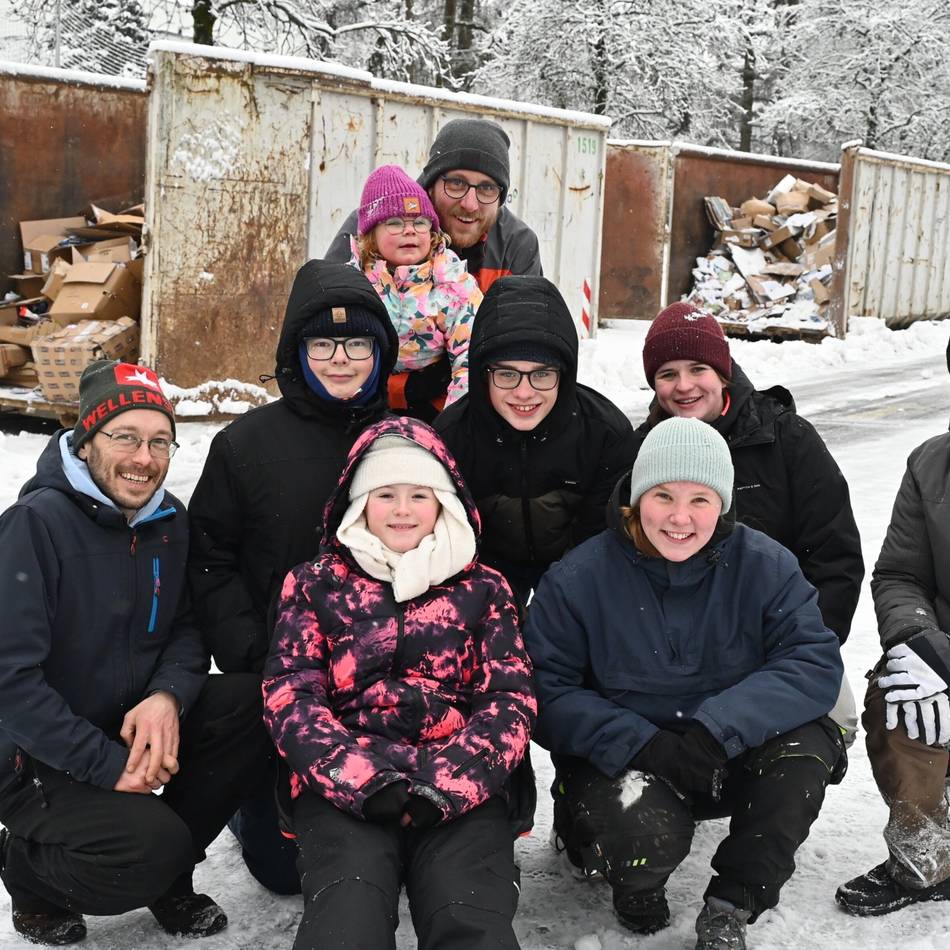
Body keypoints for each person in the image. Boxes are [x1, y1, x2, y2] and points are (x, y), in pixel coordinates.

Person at [524, 417, 846, 950]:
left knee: (806, 749)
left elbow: (813, 660)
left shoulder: (766, 566)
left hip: (724, 752)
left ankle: (732, 904)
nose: (679, 517)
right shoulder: (578, 579)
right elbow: (545, 689)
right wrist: (642, 744)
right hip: (627, 759)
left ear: (723, 505)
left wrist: (717, 731)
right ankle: (635, 884)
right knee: (640, 833)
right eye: (663, 496)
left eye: (700, 499)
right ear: (636, 499)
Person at [0, 361, 273, 946]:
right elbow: (9, 680)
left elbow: (186, 628)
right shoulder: (33, 526)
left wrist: (166, 697)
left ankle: (169, 877)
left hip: (126, 722)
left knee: (255, 704)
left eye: (159, 441)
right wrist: (107, 765)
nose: (143, 458)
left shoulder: (168, 521)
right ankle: (29, 872)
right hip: (37, 754)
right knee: (148, 849)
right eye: (125, 437)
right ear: (86, 441)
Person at [262, 416, 536, 950]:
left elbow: (510, 699)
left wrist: (448, 784)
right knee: (347, 915)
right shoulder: (316, 583)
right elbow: (291, 695)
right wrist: (362, 782)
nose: (403, 510)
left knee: (468, 912)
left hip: (459, 779)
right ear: (359, 503)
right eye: (385, 494)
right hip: (347, 781)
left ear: (444, 503)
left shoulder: (484, 588)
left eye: (419, 495)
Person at [186, 260, 398, 895]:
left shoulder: (407, 439)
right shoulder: (245, 445)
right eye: (322, 344)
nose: (341, 359)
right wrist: (252, 649)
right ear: (296, 352)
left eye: (357, 343)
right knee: (284, 872)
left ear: (380, 352)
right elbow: (210, 557)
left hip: (386, 678)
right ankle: (252, 803)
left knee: (394, 851)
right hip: (283, 676)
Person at [634, 301, 864, 646]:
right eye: (668, 374)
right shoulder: (642, 451)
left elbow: (833, 560)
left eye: (698, 369)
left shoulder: (787, 438)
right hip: (672, 653)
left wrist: (805, 650)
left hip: (776, 642)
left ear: (722, 372)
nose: (683, 385)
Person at [434, 274, 635, 609]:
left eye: (541, 374)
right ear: (483, 375)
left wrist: (556, 599)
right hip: (485, 580)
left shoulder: (604, 434)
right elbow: (453, 544)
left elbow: (602, 540)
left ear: (564, 375)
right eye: (507, 374)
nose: (524, 392)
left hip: (578, 578)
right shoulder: (451, 438)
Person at [835, 416, 950, 915]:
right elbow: (901, 574)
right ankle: (925, 860)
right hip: (946, 647)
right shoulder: (931, 462)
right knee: (900, 691)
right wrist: (919, 643)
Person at [326, 117, 542, 293]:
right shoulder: (375, 224)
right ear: (430, 185)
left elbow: (528, 327)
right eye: (456, 183)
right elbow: (325, 309)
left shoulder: (516, 246)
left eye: (487, 188)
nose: (470, 204)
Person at [350, 163, 482, 421]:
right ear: (371, 235)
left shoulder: (452, 284)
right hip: (364, 400)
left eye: (420, 222)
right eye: (394, 222)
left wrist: (453, 422)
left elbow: (470, 355)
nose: (410, 230)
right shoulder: (354, 282)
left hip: (435, 404)